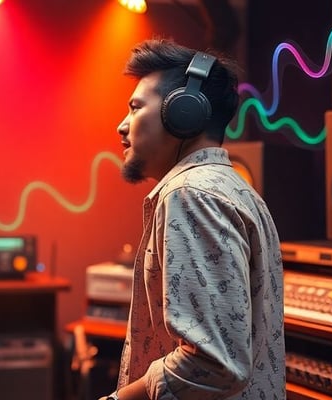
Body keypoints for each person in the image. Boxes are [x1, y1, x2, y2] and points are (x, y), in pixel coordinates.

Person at [102, 38, 285, 400]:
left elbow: (214, 365)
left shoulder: (191, 195)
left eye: (135, 108)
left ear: (183, 112)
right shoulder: (233, 189)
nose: (122, 126)